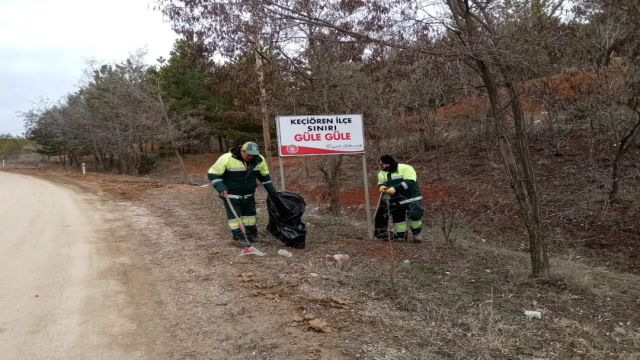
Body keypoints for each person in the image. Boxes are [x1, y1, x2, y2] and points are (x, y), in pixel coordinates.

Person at [208, 141, 277, 246]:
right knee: (235, 218)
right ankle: (238, 237)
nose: (251, 157)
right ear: (242, 151)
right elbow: (213, 174)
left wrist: (273, 193)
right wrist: (221, 188)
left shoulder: (259, 159)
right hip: (231, 194)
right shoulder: (227, 158)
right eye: (249, 155)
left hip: (249, 194)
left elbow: (265, 178)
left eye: (254, 155)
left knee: (250, 216)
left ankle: (251, 235)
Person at [374, 154, 424, 242]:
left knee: (415, 217)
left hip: (412, 198)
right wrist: (380, 187)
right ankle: (401, 237)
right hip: (396, 200)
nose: (384, 166)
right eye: (382, 164)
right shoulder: (382, 173)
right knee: (398, 220)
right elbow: (380, 183)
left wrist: (395, 188)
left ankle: (417, 235)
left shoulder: (406, 168)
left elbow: (410, 181)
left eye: (385, 164)